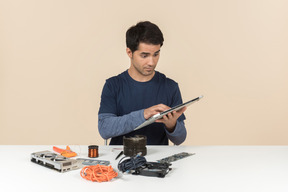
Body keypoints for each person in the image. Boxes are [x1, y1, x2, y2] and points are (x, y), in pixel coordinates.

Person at [98, 21, 187, 145]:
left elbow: (180, 139)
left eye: (156, 54)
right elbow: (105, 129)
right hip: (121, 160)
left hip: (158, 162)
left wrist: (172, 126)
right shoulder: (113, 85)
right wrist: (144, 114)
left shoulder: (170, 86)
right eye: (144, 56)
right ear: (129, 52)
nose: (151, 62)